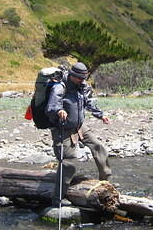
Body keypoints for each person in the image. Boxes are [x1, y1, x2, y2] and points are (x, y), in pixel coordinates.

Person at [46, 62, 111, 206]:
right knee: (68, 163)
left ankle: (105, 182)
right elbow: (51, 106)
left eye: (84, 78)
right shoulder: (60, 87)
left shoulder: (82, 87)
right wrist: (59, 111)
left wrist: (100, 115)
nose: (83, 81)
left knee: (99, 148)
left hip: (80, 126)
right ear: (72, 75)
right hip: (62, 129)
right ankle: (58, 199)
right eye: (80, 78)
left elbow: (88, 103)